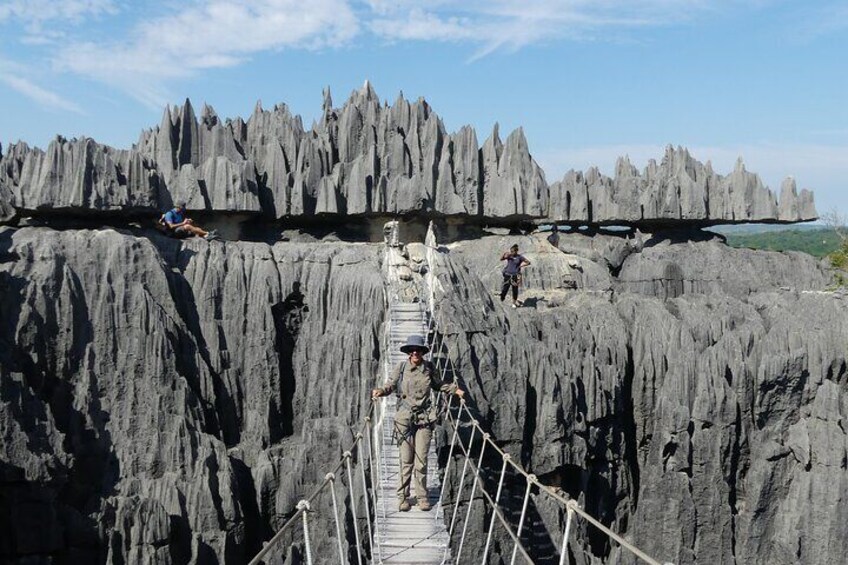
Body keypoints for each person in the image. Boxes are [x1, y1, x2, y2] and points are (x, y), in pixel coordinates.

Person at [372, 335, 465, 512]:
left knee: (421, 461)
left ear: (422, 352)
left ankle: (422, 497)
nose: (415, 352)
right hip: (404, 419)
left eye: (418, 349)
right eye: (412, 350)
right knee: (406, 460)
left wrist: (455, 390)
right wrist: (380, 392)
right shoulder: (400, 368)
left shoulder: (429, 368)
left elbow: (439, 385)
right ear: (408, 352)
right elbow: (390, 385)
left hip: (424, 418)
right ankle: (403, 498)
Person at [500, 243, 530, 307]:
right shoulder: (509, 256)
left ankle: (513, 303)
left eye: (512, 251)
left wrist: (521, 265)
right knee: (505, 289)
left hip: (515, 276)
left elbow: (528, 262)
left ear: (516, 251)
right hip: (507, 275)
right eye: (511, 251)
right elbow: (501, 259)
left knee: (515, 290)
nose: (511, 252)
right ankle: (501, 299)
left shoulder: (520, 257)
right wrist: (504, 254)